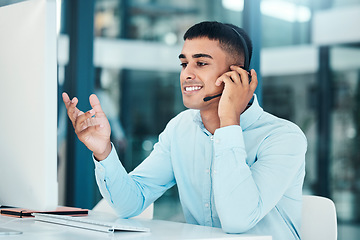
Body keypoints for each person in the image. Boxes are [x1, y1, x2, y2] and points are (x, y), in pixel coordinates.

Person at [62, 21, 306, 240]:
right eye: (184, 63)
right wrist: (104, 151)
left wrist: (229, 119)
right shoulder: (180, 128)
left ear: (237, 75)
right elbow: (130, 203)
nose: (187, 73)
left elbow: (237, 220)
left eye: (200, 63)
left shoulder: (283, 138)